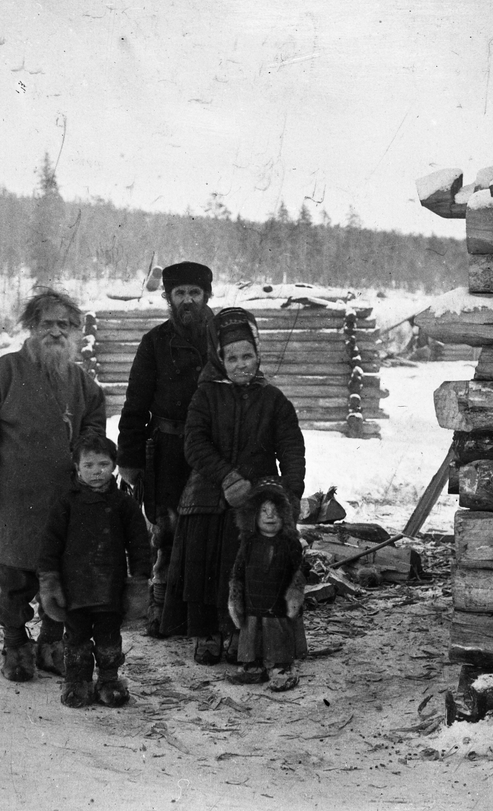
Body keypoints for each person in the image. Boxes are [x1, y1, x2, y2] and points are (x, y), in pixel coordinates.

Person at [0, 288, 106, 683]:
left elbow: (95, 415)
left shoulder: (78, 378)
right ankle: (15, 646)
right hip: (14, 500)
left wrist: (87, 450)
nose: (56, 332)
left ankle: (50, 644)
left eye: (65, 324)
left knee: (59, 574)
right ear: (32, 327)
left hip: (64, 500)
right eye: (48, 323)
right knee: (13, 580)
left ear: (75, 331)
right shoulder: (4, 372)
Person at [160, 306, 306, 665]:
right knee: (205, 562)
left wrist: (291, 492)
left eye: (248, 356)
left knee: (249, 565)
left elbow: (291, 447)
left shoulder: (273, 399)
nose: (242, 364)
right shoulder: (206, 395)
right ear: (219, 359)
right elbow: (194, 442)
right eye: (233, 358)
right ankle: (207, 634)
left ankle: (239, 632)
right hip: (209, 493)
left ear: (258, 356)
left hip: (256, 496)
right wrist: (226, 476)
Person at [116, 261, 214, 637]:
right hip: (169, 451)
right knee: (167, 530)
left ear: (206, 295)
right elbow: (135, 405)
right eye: (179, 293)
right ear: (169, 298)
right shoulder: (154, 343)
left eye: (194, 292)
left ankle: (204, 613)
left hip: (212, 452)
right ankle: (161, 605)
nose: (187, 300)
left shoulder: (222, 339)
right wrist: (129, 460)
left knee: (210, 529)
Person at [38, 433, 151, 708]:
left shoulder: (124, 504)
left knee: (109, 638)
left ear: (114, 466)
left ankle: (109, 681)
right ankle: (77, 682)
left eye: (102, 464)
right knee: (75, 639)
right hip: (74, 589)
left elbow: (139, 544)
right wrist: (49, 581)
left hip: (110, 589)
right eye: (88, 465)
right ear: (77, 467)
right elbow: (49, 545)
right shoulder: (65, 503)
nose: (96, 471)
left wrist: (138, 582)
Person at [226, 477, 307, 692]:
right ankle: (253, 665)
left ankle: (280, 668)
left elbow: (299, 571)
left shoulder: (290, 544)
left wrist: (296, 592)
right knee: (252, 634)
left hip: (279, 604)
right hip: (253, 603)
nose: (270, 516)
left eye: (275, 511)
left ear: (285, 515)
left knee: (277, 635)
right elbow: (238, 572)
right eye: (264, 511)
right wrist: (235, 597)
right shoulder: (248, 543)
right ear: (253, 515)